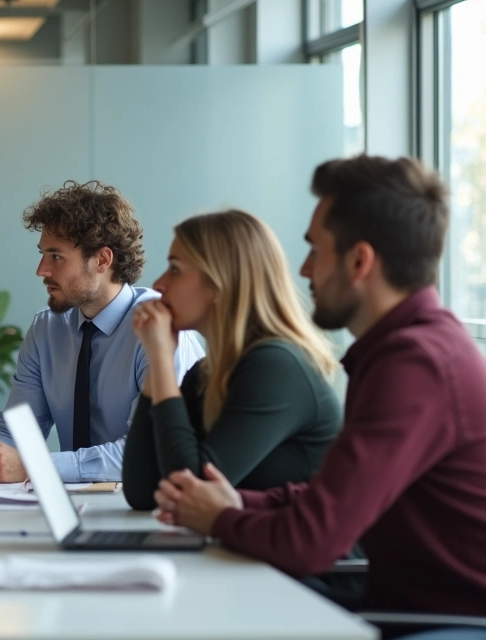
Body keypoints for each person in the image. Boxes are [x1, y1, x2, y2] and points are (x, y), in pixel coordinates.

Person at [154, 156, 486, 624]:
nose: (305, 270)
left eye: (315, 250)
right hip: (398, 610)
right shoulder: (405, 351)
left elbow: (311, 542)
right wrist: (237, 502)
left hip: (441, 624)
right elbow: (324, 495)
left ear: (359, 261)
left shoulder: (417, 365)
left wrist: (221, 518)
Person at [0, 180, 203, 484]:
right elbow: (20, 427)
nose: (41, 270)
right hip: (73, 504)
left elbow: (146, 452)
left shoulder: (158, 329)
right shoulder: (45, 330)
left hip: (148, 504)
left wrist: (33, 467)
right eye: (42, 254)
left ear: (103, 260)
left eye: (56, 256)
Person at [121, 209, 341, 510]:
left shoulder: (276, 366)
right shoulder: (206, 372)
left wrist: (160, 359)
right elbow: (142, 492)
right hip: (250, 549)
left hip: (308, 555)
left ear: (219, 283)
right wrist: (157, 361)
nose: (158, 284)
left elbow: (190, 489)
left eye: (174, 269)